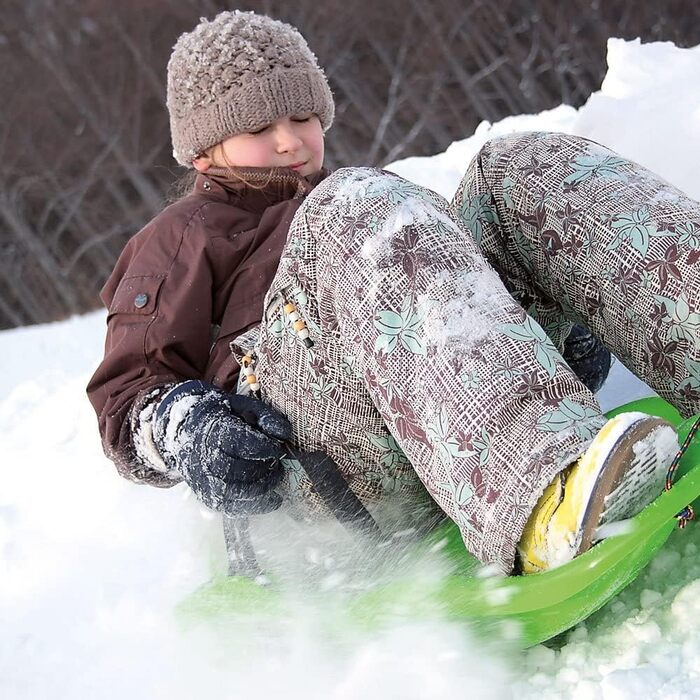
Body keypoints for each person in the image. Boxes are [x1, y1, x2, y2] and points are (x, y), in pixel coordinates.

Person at [87, 10, 696, 576]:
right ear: (202, 149)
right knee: (352, 207)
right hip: (318, 482)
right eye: (257, 128)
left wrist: (550, 302)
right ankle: (540, 490)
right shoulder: (179, 239)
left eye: (301, 117)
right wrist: (190, 431)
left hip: (428, 427)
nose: (288, 141)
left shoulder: (354, 210)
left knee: (514, 166)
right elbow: (125, 396)